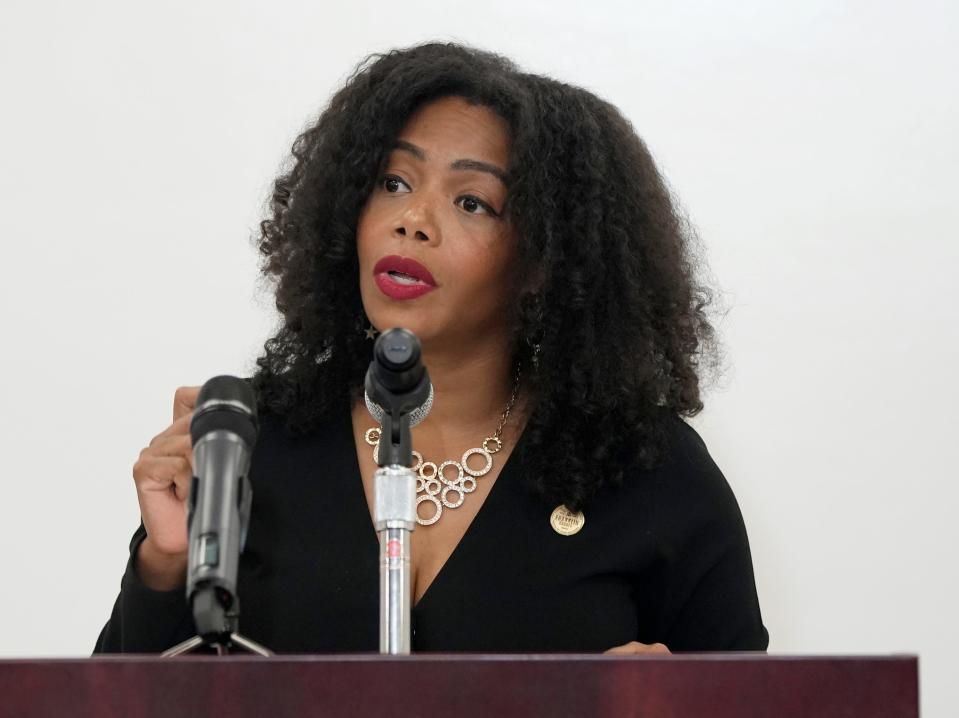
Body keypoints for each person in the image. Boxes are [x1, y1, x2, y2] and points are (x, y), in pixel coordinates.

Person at [95, 43, 768, 654]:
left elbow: (754, 702)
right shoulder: (248, 448)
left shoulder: (647, 474)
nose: (412, 220)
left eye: (472, 202)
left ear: (542, 258)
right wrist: (167, 563)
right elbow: (111, 706)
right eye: (392, 182)